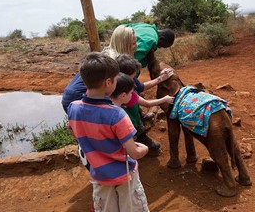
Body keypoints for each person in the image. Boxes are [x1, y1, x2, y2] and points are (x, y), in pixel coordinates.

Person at [67, 52, 149, 212]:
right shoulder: (117, 115)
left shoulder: (74, 108)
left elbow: (74, 132)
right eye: (116, 78)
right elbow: (134, 153)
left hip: (99, 176)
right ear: (109, 82)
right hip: (125, 176)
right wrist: (144, 148)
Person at [102, 24, 175, 155]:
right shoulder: (117, 67)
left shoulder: (146, 27)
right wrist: (160, 81)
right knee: (130, 104)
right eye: (133, 43)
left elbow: (140, 91)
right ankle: (140, 136)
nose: (136, 46)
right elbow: (139, 90)